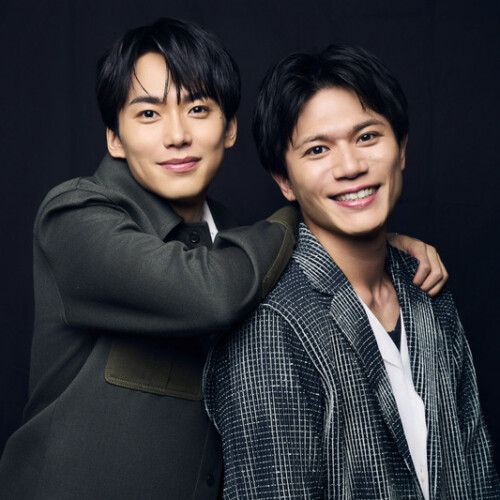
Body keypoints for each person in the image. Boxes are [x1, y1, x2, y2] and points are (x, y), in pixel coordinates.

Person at [0, 19, 447, 499]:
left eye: (198, 109)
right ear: (115, 137)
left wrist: (372, 239)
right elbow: (208, 292)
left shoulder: (238, 243)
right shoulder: (74, 215)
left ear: (229, 128)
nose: (177, 135)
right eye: (148, 114)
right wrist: (311, 212)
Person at [204, 43, 499, 499]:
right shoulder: (270, 327)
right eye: (318, 149)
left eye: (367, 137)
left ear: (402, 148)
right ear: (284, 180)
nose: (351, 167)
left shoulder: (426, 287)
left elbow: (477, 470)